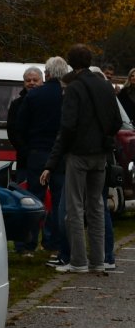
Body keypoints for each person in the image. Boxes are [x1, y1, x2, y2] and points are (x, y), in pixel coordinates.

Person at [41, 44, 122, 275]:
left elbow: (67, 126)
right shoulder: (105, 85)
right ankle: (98, 260)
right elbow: (116, 120)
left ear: (70, 63)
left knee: (74, 208)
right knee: (97, 205)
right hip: (101, 154)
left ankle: (78, 261)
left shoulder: (73, 88)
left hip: (78, 153)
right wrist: (103, 136)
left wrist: (52, 161)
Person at [16, 57, 66, 260]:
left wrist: (28, 149)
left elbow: (21, 125)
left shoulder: (34, 96)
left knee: (33, 199)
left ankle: (28, 243)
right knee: (58, 200)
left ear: (47, 73)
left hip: (37, 152)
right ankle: (53, 242)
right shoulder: (67, 96)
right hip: (60, 154)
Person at [5, 65, 44, 254]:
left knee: (44, 202)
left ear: (42, 81)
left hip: (44, 159)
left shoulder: (47, 102)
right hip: (24, 160)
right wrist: (25, 149)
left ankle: (41, 242)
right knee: (24, 200)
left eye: (35, 80)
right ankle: (22, 244)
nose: (31, 83)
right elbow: (13, 131)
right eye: (28, 80)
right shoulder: (16, 104)